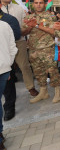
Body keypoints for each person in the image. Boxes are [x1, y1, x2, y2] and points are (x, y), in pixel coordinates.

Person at [0, 0, 38, 114]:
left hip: (19, 40)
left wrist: (25, 31)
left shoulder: (18, 9)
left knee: (24, 65)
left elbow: (25, 25)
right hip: (3, 44)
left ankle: (31, 87)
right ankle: (7, 95)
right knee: (6, 69)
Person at [22, 0, 60, 104]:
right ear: (33, 5)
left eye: (40, 3)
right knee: (38, 71)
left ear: (44, 4)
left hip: (47, 48)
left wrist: (37, 25)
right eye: (36, 3)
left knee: (53, 70)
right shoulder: (28, 17)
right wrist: (30, 27)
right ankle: (43, 92)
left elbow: (54, 31)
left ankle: (58, 91)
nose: (38, 5)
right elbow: (23, 33)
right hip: (33, 49)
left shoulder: (50, 16)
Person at [0, 20, 18, 150]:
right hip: (4, 69)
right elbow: (13, 48)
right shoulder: (4, 25)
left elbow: (13, 47)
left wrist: (7, 65)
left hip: (3, 70)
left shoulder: (4, 25)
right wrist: (7, 64)